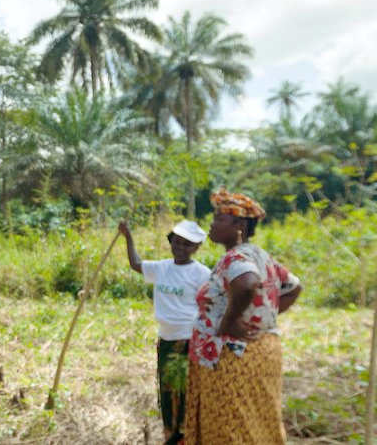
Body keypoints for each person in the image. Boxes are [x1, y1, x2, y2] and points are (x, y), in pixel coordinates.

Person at [181, 189, 302, 444]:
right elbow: (293, 287)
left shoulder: (236, 257)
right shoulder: (261, 255)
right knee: (258, 422)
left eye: (220, 219)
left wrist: (229, 321)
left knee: (231, 427)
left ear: (240, 225)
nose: (212, 224)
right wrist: (259, 317)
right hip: (262, 351)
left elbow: (247, 285)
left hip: (234, 357)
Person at [119, 220, 211, 445]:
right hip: (166, 339)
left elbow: (211, 304)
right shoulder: (161, 268)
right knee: (168, 390)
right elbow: (136, 264)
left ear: (196, 248)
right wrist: (128, 236)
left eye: (187, 245)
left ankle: (186, 436)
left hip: (189, 339)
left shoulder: (202, 274)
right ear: (171, 242)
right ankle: (171, 434)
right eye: (177, 242)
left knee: (186, 390)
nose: (180, 247)